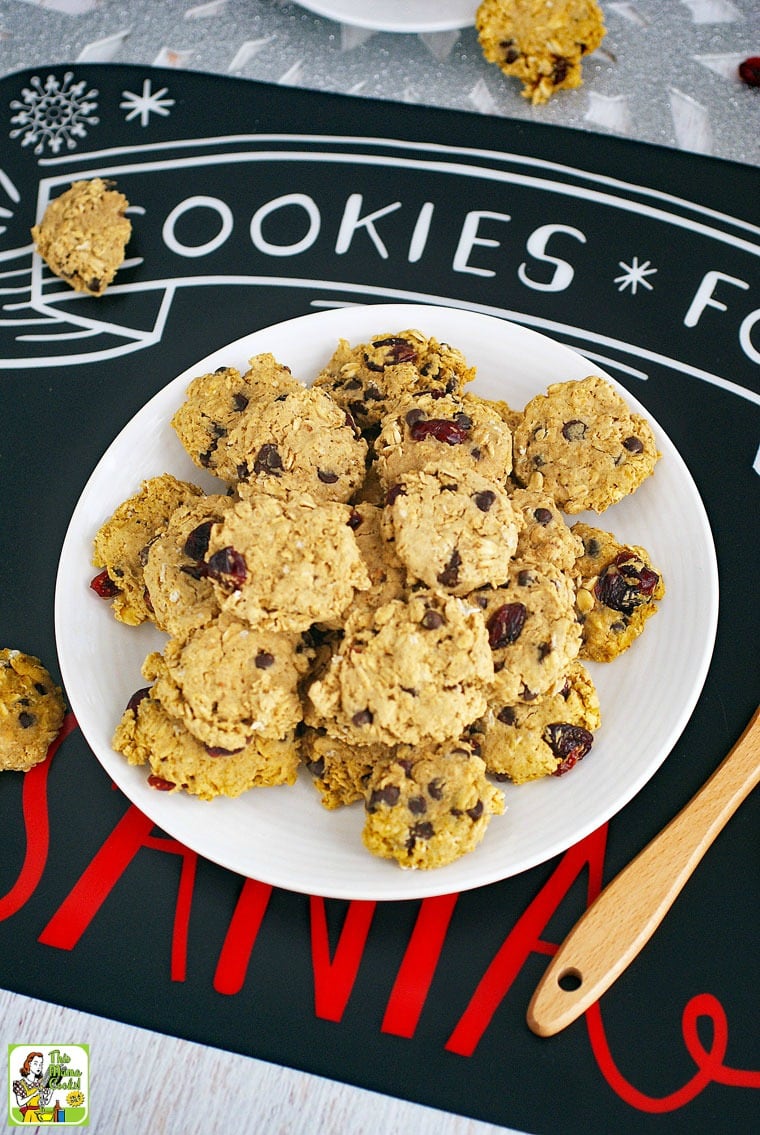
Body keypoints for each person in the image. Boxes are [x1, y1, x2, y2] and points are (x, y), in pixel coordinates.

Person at [12, 1052, 51, 1123]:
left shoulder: (41, 1083)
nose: (39, 1067)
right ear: (29, 1064)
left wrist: (51, 1089)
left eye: (41, 1064)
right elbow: (20, 1103)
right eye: (36, 1063)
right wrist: (33, 1094)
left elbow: (45, 1102)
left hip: (40, 1115)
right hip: (29, 1116)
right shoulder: (20, 1084)